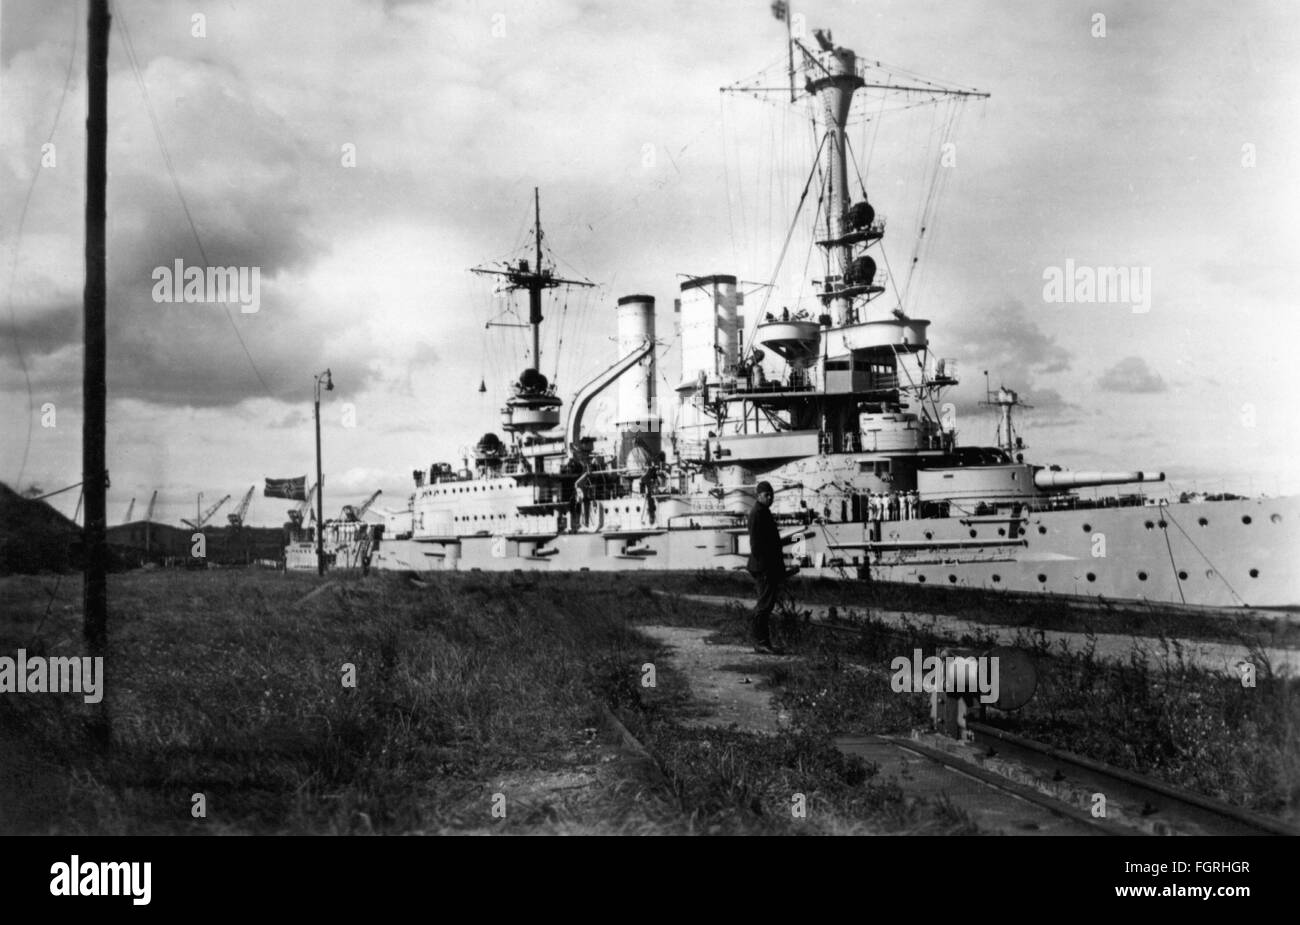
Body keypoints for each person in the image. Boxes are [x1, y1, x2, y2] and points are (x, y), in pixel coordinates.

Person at [747, 481, 786, 655]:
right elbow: (756, 545)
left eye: (771, 494)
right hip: (764, 567)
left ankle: (763, 641)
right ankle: (760, 642)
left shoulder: (763, 512)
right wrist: (767, 567)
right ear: (759, 495)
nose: (770, 498)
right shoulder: (758, 514)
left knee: (766, 604)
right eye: (766, 495)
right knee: (764, 605)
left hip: (766, 566)